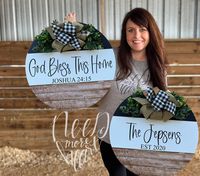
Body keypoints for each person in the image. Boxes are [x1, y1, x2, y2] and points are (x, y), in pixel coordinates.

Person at [65, 8, 168, 176]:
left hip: (140, 139)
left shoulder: (158, 66)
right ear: (124, 33)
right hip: (109, 137)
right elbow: (83, 59)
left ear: (151, 32)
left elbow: (163, 106)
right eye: (131, 30)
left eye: (142, 29)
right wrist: (73, 31)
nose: (136, 35)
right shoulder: (111, 57)